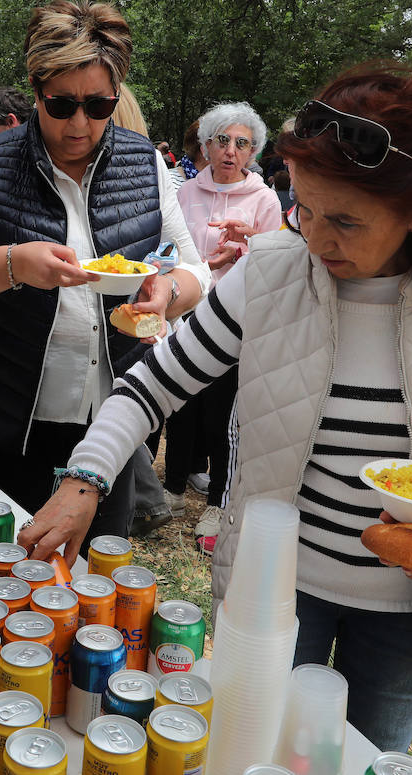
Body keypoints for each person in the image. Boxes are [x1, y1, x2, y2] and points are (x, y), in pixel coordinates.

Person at [48, 65, 412, 751]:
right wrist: (83, 479)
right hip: (275, 595)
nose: (319, 241)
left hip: (408, 612)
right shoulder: (271, 272)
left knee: (360, 755)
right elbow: (152, 386)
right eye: (304, 208)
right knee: (249, 749)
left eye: (347, 220)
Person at [0, 0, 210, 556]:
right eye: (61, 104)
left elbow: (191, 269)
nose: (80, 124)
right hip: (4, 416)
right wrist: (11, 264)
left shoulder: (145, 165)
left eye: (99, 105)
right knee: (1, 569)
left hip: (106, 420)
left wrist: (167, 293)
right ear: (36, 88)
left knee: (95, 569)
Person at [166, 102, 281, 553]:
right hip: (187, 311)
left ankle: (216, 499)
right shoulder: (185, 194)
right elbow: (166, 250)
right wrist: (197, 266)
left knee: (223, 408)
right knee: (181, 401)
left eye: (242, 143)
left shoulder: (265, 198)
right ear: (206, 145)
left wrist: (249, 247)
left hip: (236, 318)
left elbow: (276, 262)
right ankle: (172, 487)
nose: (230, 151)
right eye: (222, 141)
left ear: (253, 151)